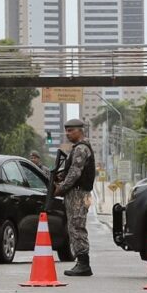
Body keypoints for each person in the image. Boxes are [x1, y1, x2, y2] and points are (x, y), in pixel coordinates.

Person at [54, 118, 96, 276]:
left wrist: (61, 188)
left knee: (77, 227)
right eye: (66, 130)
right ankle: (82, 261)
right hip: (78, 193)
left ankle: (83, 263)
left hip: (78, 194)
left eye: (71, 130)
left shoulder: (81, 148)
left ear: (80, 130)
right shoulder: (78, 148)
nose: (67, 133)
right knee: (75, 226)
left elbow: (75, 173)